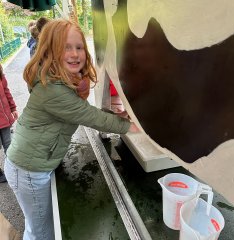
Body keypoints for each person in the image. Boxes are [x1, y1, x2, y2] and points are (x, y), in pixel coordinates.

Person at [4, 18, 139, 240]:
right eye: (66, 47)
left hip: (32, 165)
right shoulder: (53, 91)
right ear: (50, 51)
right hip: (28, 170)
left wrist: (118, 116)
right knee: (41, 232)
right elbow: (90, 116)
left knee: (40, 226)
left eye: (78, 47)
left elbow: (83, 110)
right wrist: (131, 126)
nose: (75, 54)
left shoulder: (58, 81)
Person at [0, 63, 18, 183]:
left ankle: (13, 168)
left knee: (9, 144)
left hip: (4, 119)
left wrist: (13, 108)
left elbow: (6, 91)